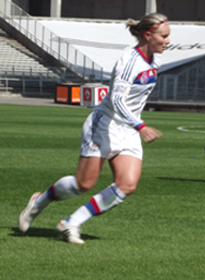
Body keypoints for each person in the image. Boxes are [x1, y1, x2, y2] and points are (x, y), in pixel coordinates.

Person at [18, 13, 170, 244]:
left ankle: (71, 223)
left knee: (127, 185)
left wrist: (135, 125)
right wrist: (141, 126)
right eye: (164, 36)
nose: (168, 41)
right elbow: (117, 101)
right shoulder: (129, 62)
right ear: (148, 35)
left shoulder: (155, 61)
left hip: (127, 129)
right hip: (105, 124)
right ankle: (40, 200)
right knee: (83, 184)